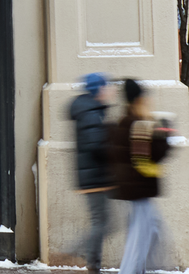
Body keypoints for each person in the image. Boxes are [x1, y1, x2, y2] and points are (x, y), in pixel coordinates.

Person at [108, 79, 174, 274]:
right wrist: (164, 132)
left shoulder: (125, 121)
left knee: (149, 235)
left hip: (134, 190)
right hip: (138, 191)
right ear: (138, 100)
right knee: (141, 241)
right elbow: (154, 154)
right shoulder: (138, 124)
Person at [69, 72, 115, 274]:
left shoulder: (91, 110)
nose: (110, 90)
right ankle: (86, 257)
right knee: (102, 222)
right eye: (106, 86)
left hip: (94, 175)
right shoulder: (90, 112)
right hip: (95, 177)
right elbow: (96, 145)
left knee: (103, 222)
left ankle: (90, 259)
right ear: (98, 89)